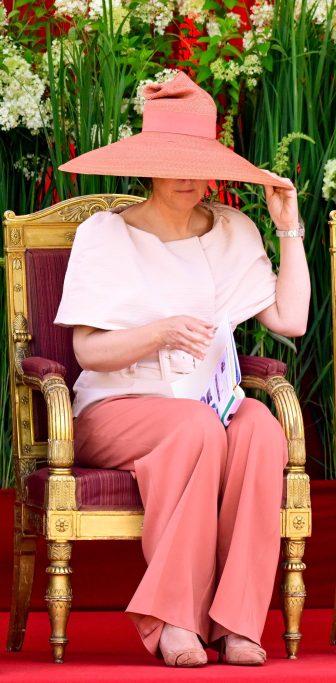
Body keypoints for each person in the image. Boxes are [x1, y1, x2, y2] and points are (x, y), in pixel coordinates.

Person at [54, 72, 310, 667]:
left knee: (262, 430)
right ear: (147, 163)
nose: (187, 175)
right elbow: (90, 353)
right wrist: (160, 331)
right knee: (194, 429)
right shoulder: (105, 234)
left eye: (198, 161)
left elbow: (291, 319)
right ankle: (175, 618)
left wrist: (288, 227)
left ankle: (237, 621)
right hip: (117, 408)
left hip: (208, 404)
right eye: (172, 161)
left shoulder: (233, 228)